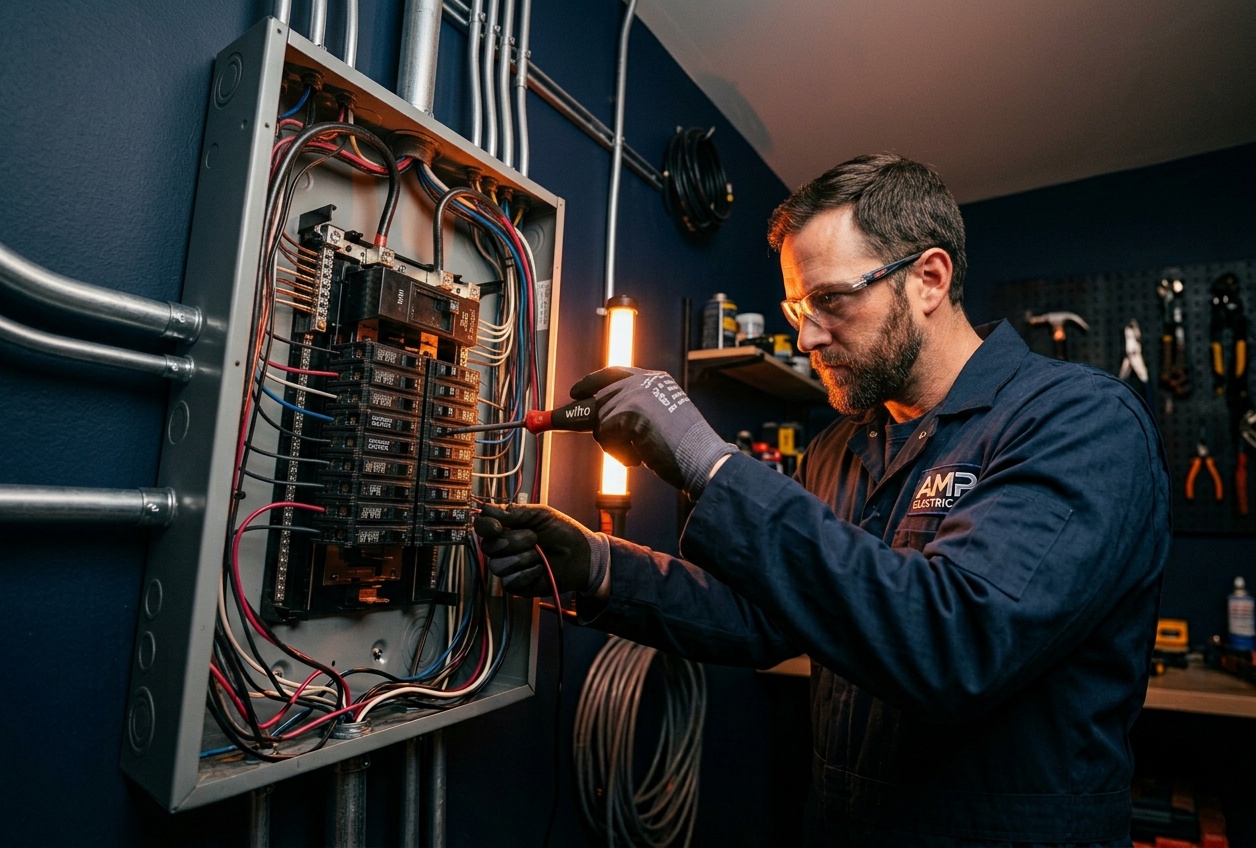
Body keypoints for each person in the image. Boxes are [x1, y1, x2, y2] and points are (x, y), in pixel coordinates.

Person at [476, 153, 1171, 846]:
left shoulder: (1078, 421)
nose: (807, 336)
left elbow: (957, 643)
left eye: (831, 300)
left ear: (929, 279)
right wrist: (599, 567)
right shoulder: (839, 447)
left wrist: (709, 463)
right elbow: (767, 618)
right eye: (798, 309)